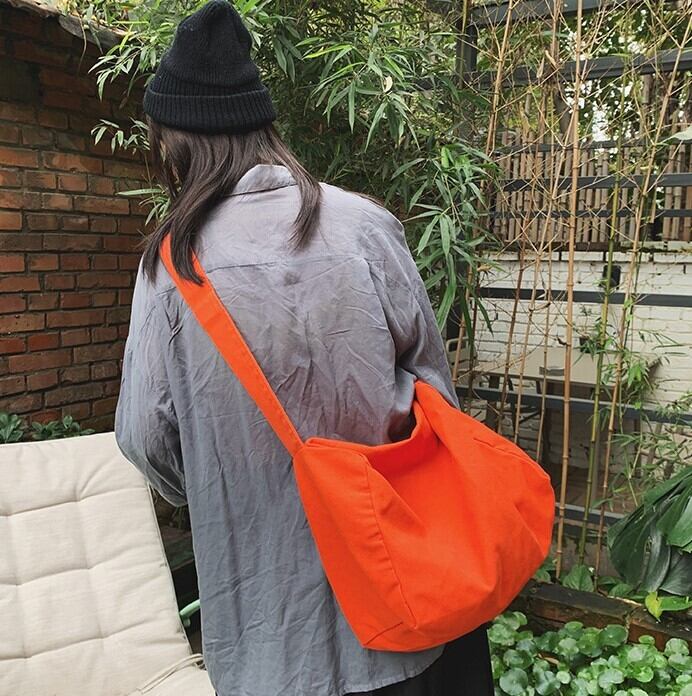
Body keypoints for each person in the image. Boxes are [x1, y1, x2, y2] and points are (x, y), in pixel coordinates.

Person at [114, 2, 494, 695]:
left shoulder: (172, 267)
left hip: (270, 635)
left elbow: (145, 437)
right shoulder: (367, 227)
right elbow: (436, 395)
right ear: (263, 126)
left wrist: (222, 484)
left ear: (174, 142)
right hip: (413, 607)